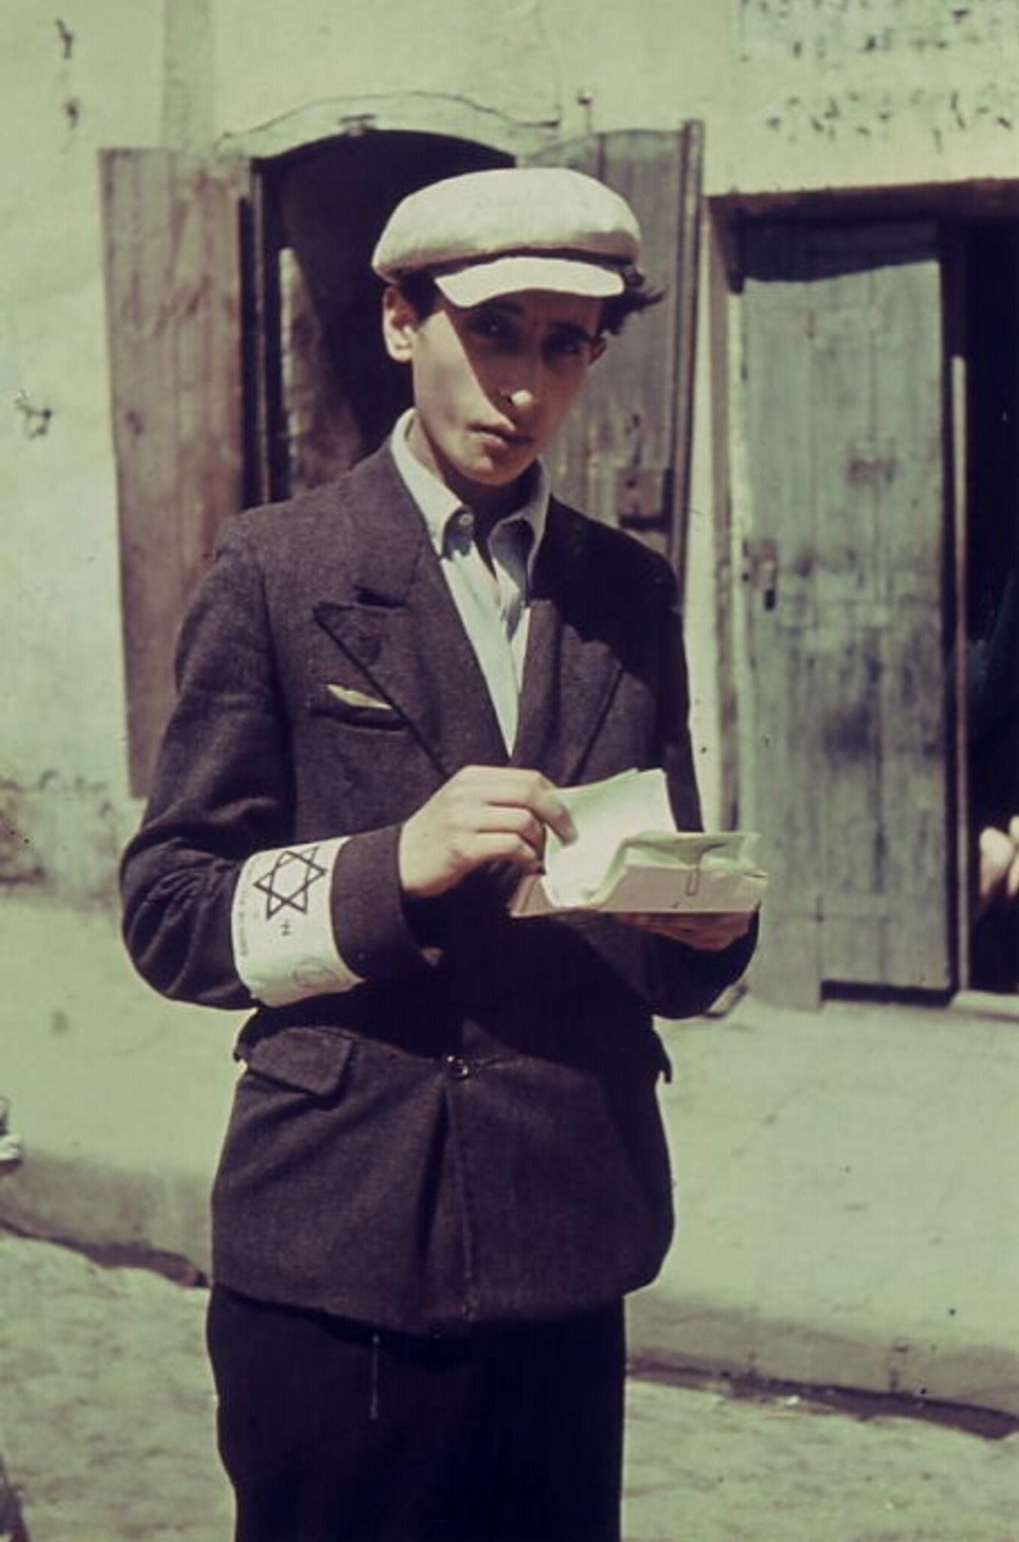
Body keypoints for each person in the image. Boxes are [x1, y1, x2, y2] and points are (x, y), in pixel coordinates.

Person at [121, 166, 756, 1542]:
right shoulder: (278, 570)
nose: (525, 386)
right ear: (403, 321)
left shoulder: (627, 590)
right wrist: (382, 866)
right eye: (493, 331)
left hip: (568, 1239)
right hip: (341, 1250)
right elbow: (169, 913)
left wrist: (706, 932)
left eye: (565, 343)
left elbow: (660, 887)